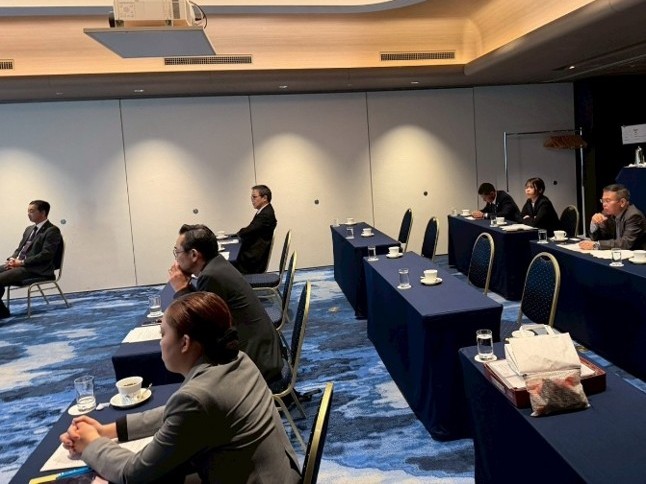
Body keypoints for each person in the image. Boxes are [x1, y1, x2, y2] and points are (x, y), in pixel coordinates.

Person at [60, 292, 301, 483]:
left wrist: (91, 443)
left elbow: (132, 473)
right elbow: (174, 415)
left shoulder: (197, 397)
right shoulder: (238, 359)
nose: (160, 342)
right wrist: (108, 431)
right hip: (280, 474)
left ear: (185, 343)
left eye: (163, 333)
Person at [168, 223, 284, 385]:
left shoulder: (211, 277)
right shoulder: (217, 265)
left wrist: (181, 290)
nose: (176, 258)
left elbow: (199, 327)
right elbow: (204, 307)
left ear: (194, 254)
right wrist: (186, 289)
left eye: (177, 252)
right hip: (263, 349)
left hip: (257, 361)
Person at [0, 200, 62, 319]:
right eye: (28, 211)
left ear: (43, 212)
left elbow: (46, 255)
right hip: (21, 265)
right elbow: (20, 249)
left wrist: (21, 263)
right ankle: (2, 312)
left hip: (37, 269)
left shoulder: (52, 230)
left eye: (32, 211)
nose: (28, 214)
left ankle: (2, 313)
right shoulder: (29, 229)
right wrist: (13, 259)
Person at [579, 184, 646, 250]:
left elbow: (625, 243)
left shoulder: (634, 216)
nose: (604, 204)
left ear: (622, 202)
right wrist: (594, 223)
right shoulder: (608, 214)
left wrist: (596, 245)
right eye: (603, 201)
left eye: (607, 201)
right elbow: (599, 238)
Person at [233, 185, 277, 274]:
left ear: (264, 198)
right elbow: (251, 230)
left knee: (227, 262)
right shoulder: (264, 210)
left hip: (254, 260)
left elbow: (249, 231)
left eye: (254, 197)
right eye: (251, 197)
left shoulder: (265, 214)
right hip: (256, 254)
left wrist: (236, 235)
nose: (252, 200)